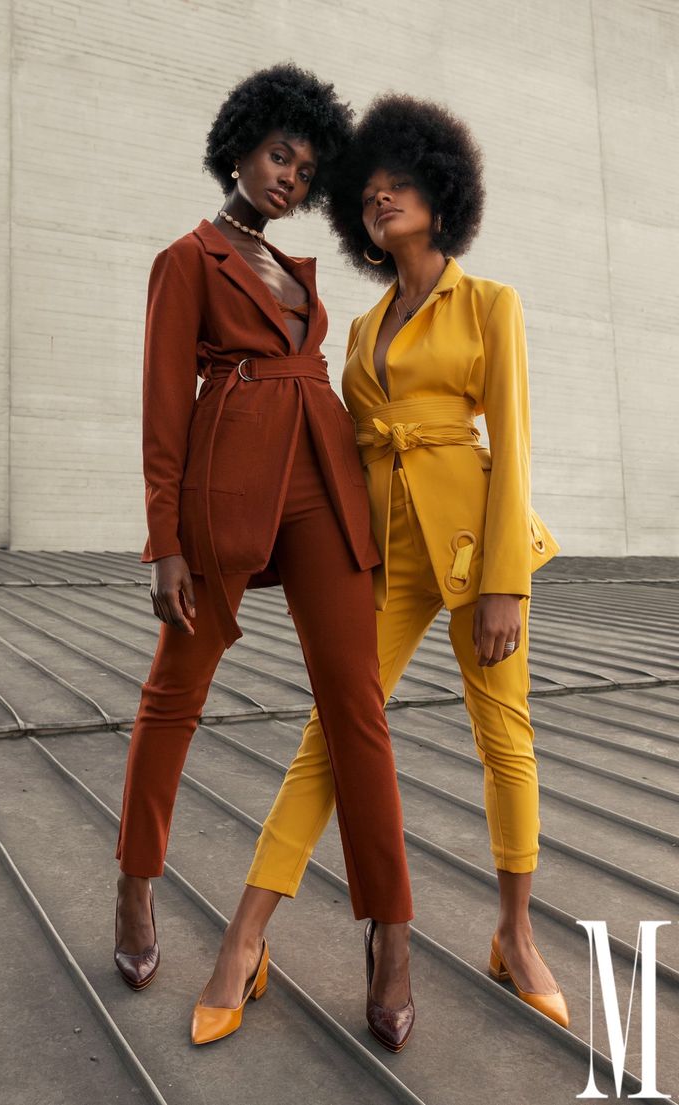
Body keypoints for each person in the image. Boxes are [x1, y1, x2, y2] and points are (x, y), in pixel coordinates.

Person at [212, 92, 569, 1031]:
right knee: (331, 730)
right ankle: (248, 933)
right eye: (368, 193)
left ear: (442, 198)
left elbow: (516, 448)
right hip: (381, 557)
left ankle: (516, 933)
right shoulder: (364, 331)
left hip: (476, 544)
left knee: (505, 736)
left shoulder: (492, 305)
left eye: (400, 184)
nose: (380, 199)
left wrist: (504, 582)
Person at [113, 65, 414, 1052]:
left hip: (321, 481)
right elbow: (164, 412)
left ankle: (388, 934)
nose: (290, 175)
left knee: (354, 702)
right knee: (176, 688)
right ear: (240, 145)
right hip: (228, 482)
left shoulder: (287, 266)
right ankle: (136, 884)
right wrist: (164, 542)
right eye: (281, 153)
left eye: (305, 166)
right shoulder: (187, 259)